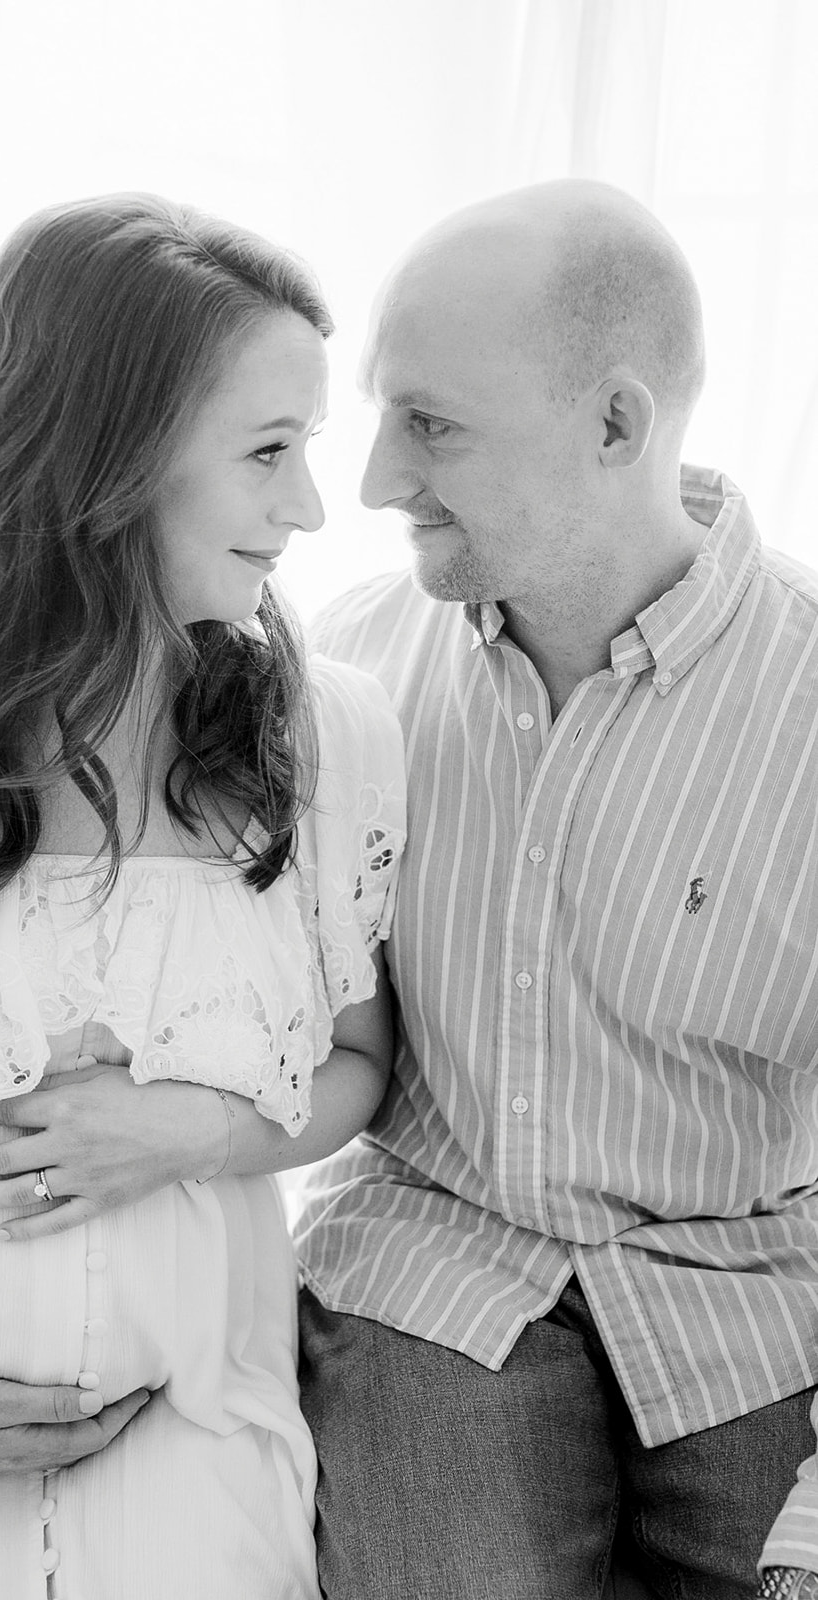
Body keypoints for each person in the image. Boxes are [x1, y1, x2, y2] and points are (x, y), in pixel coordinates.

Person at [0, 193, 405, 1599]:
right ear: (113, 462)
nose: (309, 507)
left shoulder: (327, 735)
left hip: (199, 1422)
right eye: (268, 452)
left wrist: (194, 1131)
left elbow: (362, 1066)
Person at [286, 178, 818, 1600]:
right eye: (384, 415)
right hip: (432, 1270)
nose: (377, 483)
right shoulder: (345, 670)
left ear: (618, 426)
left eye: (433, 425)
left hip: (753, 1294)